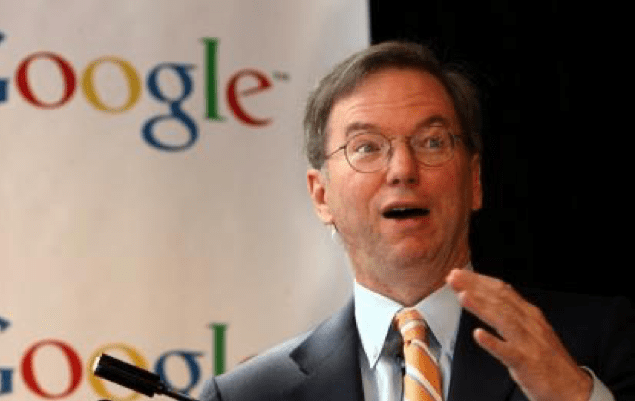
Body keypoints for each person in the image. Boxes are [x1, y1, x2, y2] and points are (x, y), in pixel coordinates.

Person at [199, 41, 635, 401]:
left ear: (474, 180)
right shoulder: (250, 395)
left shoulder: (596, 343)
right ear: (321, 195)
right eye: (367, 147)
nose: (403, 169)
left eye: (432, 142)